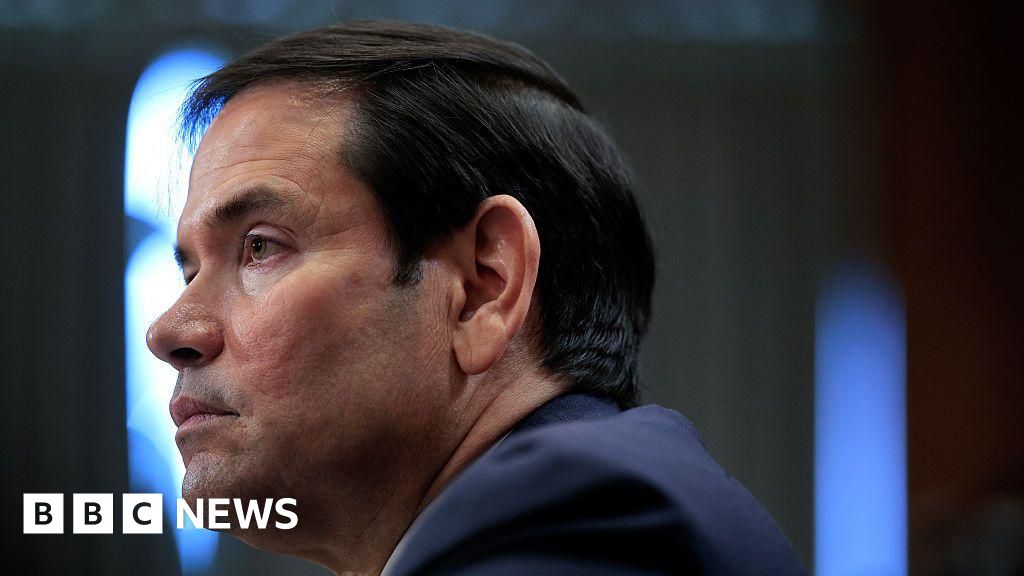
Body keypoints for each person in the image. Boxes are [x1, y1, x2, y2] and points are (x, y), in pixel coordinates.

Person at [146, 20, 805, 575]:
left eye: (260, 247)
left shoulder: (579, 524)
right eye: (190, 270)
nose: (170, 329)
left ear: (484, 287)